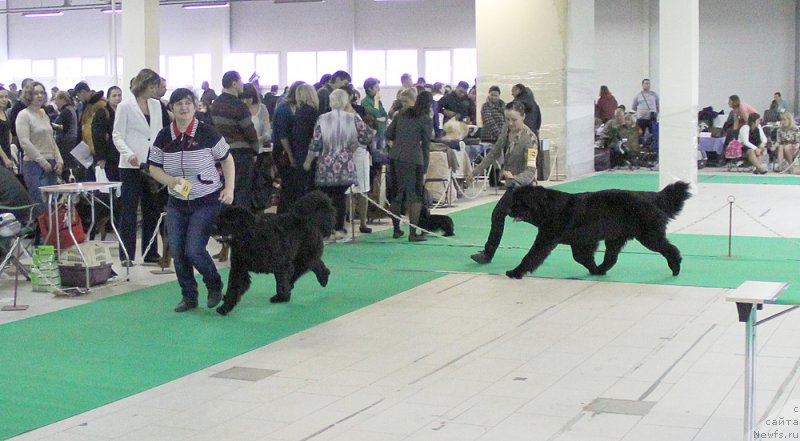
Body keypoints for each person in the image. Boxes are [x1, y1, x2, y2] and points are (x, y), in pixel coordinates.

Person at [147, 88, 235, 313]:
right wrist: (170, 180)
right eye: (178, 104)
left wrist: (229, 188)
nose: (183, 107)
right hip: (177, 202)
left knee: (194, 249)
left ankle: (214, 284)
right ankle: (189, 296)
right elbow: (153, 167)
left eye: (187, 103)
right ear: (171, 108)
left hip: (206, 200)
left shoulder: (208, 132)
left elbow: (227, 159)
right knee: (177, 250)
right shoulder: (164, 136)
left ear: (195, 106)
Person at [468, 101, 538, 264]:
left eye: (514, 119)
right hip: (512, 186)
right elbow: (494, 153)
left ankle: (487, 253)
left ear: (523, 117)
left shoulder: (531, 140)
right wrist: (475, 171)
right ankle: (487, 254)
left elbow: (531, 171)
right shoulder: (506, 130)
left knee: (507, 215)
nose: (510, 123)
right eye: (507, 119)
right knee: (503, 215)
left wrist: (513, 177)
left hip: (524, 187)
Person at [113, 68, 169, 266]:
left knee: (152, 209)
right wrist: (129, 154)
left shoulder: (157, 106)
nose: (156, 89)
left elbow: (161, 133)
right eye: (153, 85)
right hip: (130, 166)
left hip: (152, 165)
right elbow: (117, 135)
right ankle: (126, 254)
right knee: (129, 210)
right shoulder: (125, 106)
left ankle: (150, 251)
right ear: (144, 85)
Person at [303, 89, 372, 240]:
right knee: (340, 198)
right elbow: (367, 134)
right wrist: (356, 144)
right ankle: (339, 228)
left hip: (326, 165)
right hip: (345, 164)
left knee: (325, 199)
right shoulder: (352, 118)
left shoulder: (322, 118)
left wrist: (308, 162)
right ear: (346, 101)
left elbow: (315, 143)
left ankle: (326, 230)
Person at [384, 90, 433, 242]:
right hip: (414, 159)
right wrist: (425, 168)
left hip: (395, 157)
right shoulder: (425, 119)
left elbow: (387, 134)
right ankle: (413, 233)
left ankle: (396, 229)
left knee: (397, 195)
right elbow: (426, 145)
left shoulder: (400, 114)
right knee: (415, 197)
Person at [210, 71, 259, 210]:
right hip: (242, 155)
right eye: (241, 81)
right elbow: (249, 131)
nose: (242, 84)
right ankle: (242, 228)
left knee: (226, 190)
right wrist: (256, 149)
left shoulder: (216, 104)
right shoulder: (239, 105)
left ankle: (225, 226)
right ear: (234, 83)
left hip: (223, 153)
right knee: (242, 193)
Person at [16, 82, 64, 206]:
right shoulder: (23, 115)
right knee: (41, 204)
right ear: (28, 95)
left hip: (52, 163)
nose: (39, 96)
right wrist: (42, 161)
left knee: (53, 204)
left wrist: (59, 160)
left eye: (42, 93)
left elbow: (51, 140)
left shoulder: (44, 115)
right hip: (34, 164)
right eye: (36, 93)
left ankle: (53, 226)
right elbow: (24, 142)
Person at [92, 86, 122, 182]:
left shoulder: (122, 112)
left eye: (119, 95)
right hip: (108, 155)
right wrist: (101, 157)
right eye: (114, 96)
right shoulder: (102, 112)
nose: (117, 98)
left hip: (120, 154)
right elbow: (97, 136)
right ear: (108, 98)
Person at [52, 91, 79, 181]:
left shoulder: (66, 111)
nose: (55, 102)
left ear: (63, 99)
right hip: (72, 141)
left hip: (66, 142)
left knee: (66, 165)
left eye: (56, 99)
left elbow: (64, 127)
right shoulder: (72, 109)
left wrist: (51, 125)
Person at [361, 77, 388, 154]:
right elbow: (376, 114)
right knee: (375, 156)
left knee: (383, 156)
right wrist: (379, 118)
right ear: (369, 89)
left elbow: (385, 115)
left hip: (382, 132)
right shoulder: (365, 102)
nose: (379, 89)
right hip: (373, 134)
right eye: (376, 87)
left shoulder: (378, 102)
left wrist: (381, 118)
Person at [241, 83, 271, 151]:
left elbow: (267, 129)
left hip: (259, 149)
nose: (245, 101)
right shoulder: (239, 109)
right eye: (243, 98)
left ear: (253, 96)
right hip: (243, 150)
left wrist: (262, 137)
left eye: (248, 98)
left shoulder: (262, 108)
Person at [0, 89, 14, 170]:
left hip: (7, 152)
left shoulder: (5, 113)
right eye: (1, 97)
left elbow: (8, 132)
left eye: (6, 97)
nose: (4, 100)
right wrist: (4, 157)